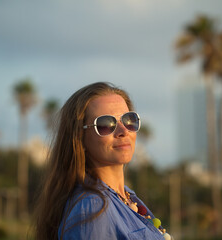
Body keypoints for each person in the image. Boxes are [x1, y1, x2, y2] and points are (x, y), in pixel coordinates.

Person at [33, 82, 173, 240]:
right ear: (80, 138)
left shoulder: (127, 197)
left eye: (129, 119)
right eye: (106, 124)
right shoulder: (93, 208)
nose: (123, 131)